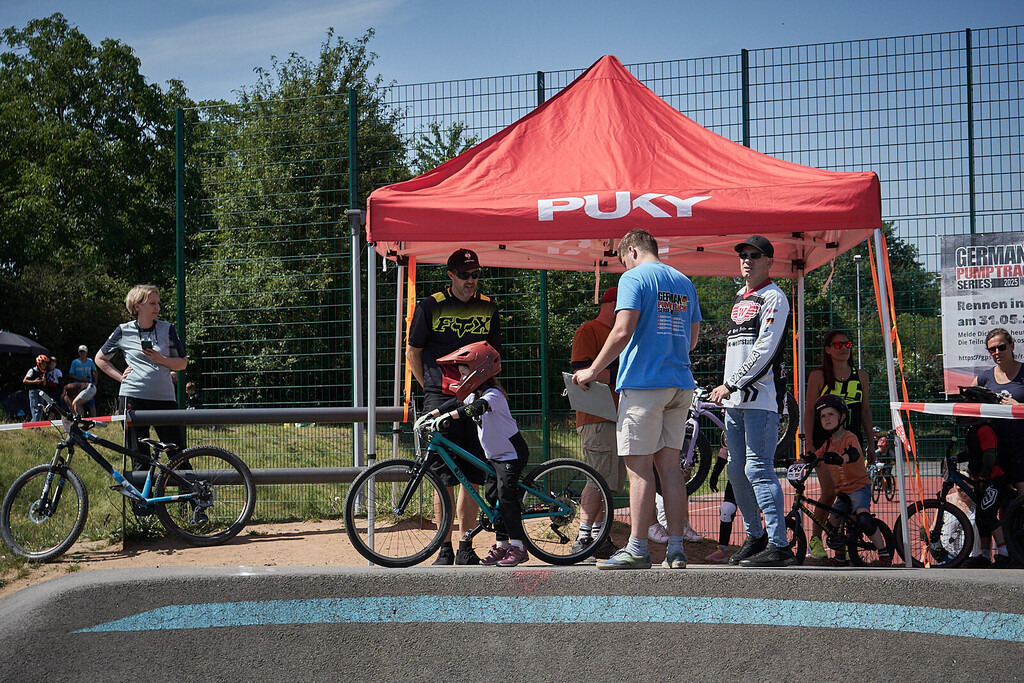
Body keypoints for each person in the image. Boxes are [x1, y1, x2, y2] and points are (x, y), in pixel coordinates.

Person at [573, 228, 701, 570]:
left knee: (639, 469)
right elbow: (692, 339)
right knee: (670, 469)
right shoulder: (684, 282)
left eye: (622, 260)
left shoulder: (634, 279)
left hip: (644, 386)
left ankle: (637, 548)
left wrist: (592, 370)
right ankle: (676, 549)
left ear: (630, 250)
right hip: (679, 383)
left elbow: (622, 330)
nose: (624, 267)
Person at [406, 248, 502, 566]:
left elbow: (493, 356)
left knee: (472, 472)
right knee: (443, 476)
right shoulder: (430, 305)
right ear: (450, 275)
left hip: (475, 395)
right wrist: (431, 390)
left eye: (475, 274)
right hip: (440, 395)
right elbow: (412, 351)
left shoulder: (489, 306)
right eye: (464, 275)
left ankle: (466, 545)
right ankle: (443, 546)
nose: (471, 281)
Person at [709, 235, 795, 567]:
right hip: (734, 403)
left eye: (754, 255)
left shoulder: (774, 297)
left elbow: (766, 349)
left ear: (769, 261)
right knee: (736, 471)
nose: (747, 260)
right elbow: (737, 351)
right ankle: (756, 536)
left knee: (758, 469)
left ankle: (779, 544)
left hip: (760, 401)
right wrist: (727, 388)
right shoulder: (738, 297)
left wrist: (731, 383)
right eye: (743, 255)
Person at [426, 341, 531, 567]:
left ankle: (519, 547)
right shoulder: (475, 394)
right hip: (494, 456)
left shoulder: (493, 394)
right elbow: (456, 402)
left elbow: (473, 409)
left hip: (510, 455)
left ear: (479, 372)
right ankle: (502, 546)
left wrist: (448, 418)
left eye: (464, 373)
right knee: (493, 499)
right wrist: (432, 414)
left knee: (505, 498)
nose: (461, 378)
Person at [96, 285, 188, 467]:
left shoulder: (167, 328)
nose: (158, 308)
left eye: (158, 303)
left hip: (165, 399)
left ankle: (191, 495)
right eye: (152, 303)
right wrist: (121, 377)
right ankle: (143, 496)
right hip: (133, 398)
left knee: (178, 456)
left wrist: (160, 359)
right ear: (137, 306)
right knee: (139, 459)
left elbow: (182, 363)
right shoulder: (123, 330)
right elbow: (100, 359)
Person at [803, 329, 874, 560]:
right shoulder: (819, 376)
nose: (844, 348)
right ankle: (815, 538)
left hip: (851, 444)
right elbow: (808, 412)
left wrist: (871, 444)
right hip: (825, 445)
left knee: (851, 493)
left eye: (847, 344)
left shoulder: (860, 376)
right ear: (827, 350)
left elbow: (864, 412)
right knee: (831, 491)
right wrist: (809, 442)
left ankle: (843, 547)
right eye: (838, 345)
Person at [568, 286, 624, 561]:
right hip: (597, 417)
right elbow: (583, 372)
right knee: (597, 477)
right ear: (613, 304)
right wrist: (623, 374)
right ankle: (582, 538)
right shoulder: (589, 330)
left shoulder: (617, 333)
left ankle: (598, 538)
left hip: (613, 416)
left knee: (606, 480)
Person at [807, 394, 892, 566]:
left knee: (864, 520)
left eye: (830, 414)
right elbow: (816, 456)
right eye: (823, 416)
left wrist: (842, 458)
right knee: (832, 526)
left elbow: (853, 453)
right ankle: (840, 557)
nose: (826, 419)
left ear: (842, 417)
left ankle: (884, 552)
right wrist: (800, 461)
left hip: (858, 487)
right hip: (843, 491)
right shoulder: (829, 442)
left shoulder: (849, 437)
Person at [971, 328, 1024, 498]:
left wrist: (1019, 407)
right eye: (992, 349)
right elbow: (967, 401)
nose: (997, 352)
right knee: (999, 504)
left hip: (1021, 449)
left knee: (1021, 503)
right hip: (994, 451)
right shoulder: (984, 378)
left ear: (1012, 346)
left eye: (1001, 347)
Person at [704, 445, 737, 563]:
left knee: (757, 512)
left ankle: (765, 546)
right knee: (727, 509)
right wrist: (715, 474)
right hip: (736, 477)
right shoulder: (732, 428)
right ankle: (722, 550)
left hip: (756, 476)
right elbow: (724, 450)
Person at [69, 345, 99, 416]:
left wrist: (95, 382)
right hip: (78, 386)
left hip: (88, 386)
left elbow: (95, 371)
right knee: (78, 404)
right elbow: (71, 374)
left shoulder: (90, 361)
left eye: (84, 352)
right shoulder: (75, 362)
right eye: (81, 352)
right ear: (79, 353)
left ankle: (94, 420)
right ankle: (81, 419)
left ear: (86, 353)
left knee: (92, 405)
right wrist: (81, 379)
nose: (82, 354)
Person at [23, 354, 50, 421]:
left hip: (40, 392)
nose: (44, 366)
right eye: (42, 364)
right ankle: (36, 427)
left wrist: (44, 381)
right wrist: (34, 382)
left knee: (41, 409)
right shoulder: (32, 370)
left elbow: (44, 384)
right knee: (35, 409)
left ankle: (32, 425)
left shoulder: (43, 372)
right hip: (33, 391)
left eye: (45, 365)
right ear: (38, 363)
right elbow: (24, 380)